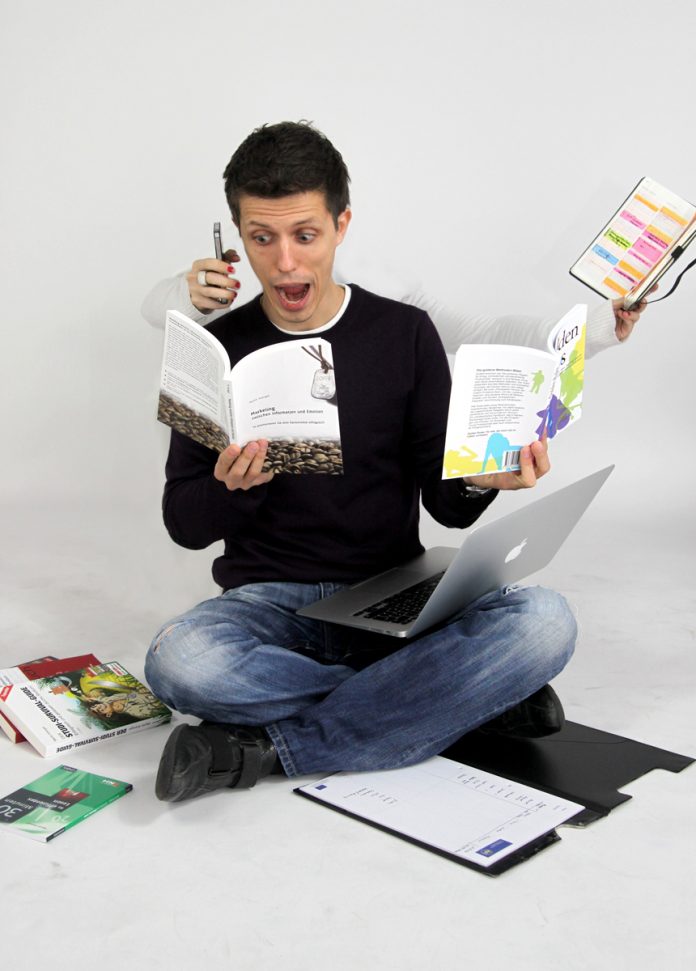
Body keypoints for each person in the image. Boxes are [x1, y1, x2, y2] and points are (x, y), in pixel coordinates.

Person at [144, 121, 579, 804]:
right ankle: (456, 697)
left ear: (341, 225)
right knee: (180, 663)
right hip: (268, 604)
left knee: (545, 621)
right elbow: (184, 522)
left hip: (393, 594)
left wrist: (479, 479)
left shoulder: (405, 332)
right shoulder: (213, 347)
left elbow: (446, 505)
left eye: (305, 235)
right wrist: (235, 490)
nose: (285, 262)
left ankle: (271, 749)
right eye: (262, 238)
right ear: (239, 238)